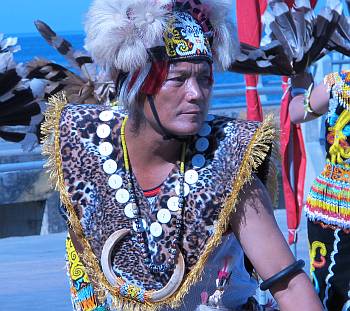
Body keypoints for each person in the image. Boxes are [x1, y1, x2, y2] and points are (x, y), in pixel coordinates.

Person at [41, 0, 322, 310]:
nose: (196, 93)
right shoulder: (85, 148)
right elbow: (86, 283)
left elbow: (291, 287)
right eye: (178, 79)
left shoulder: (227, 160)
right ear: (138, 85)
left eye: (204, 78)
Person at [289, 69, 350, 311]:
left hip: (335, 205)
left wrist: (300, 87)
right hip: (334, 209)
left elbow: (297, 112)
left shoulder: (340, 83)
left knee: (330, 292)